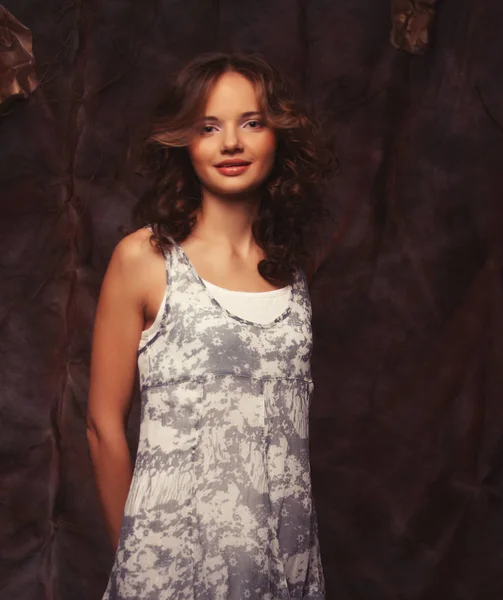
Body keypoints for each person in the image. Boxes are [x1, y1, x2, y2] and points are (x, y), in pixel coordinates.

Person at [87, 52, 333, 600]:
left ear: (278, 136)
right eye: (208, 126)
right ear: (184, 141)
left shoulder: (290, 274)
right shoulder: (144, 259)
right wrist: (136, 562)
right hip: (170, 568)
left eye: (251, 122)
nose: (231, 143)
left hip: (285, 563)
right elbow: (102, 426)